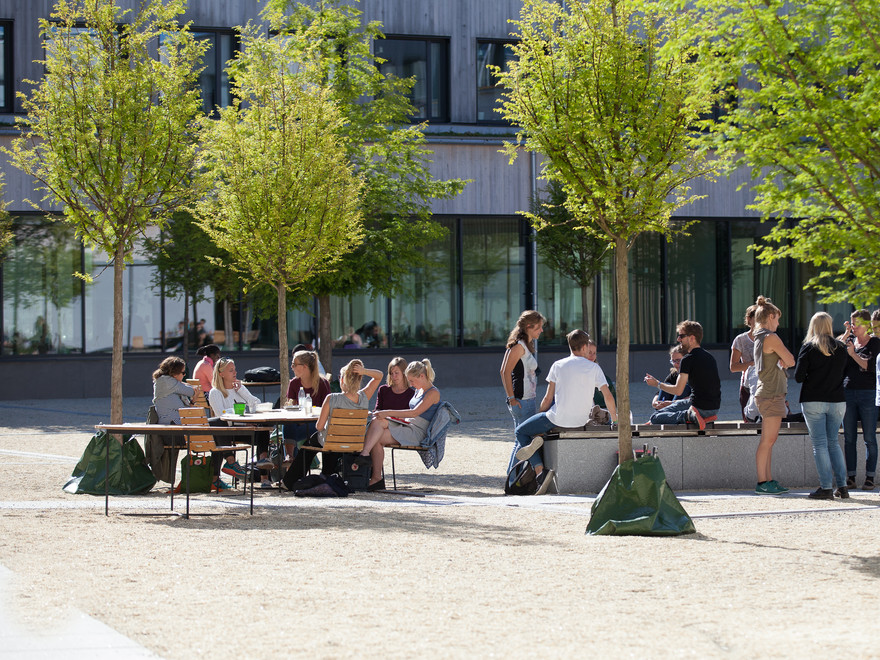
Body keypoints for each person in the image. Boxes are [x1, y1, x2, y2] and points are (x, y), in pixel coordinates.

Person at [513, 330, 618, 495]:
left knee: (521, 432)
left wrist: (538, 416)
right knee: (539, 428)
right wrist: (615, 421)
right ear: (584, 347)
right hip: (582, 420)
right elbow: (608, 396)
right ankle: (539, 440)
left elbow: (547, 399)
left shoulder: (558, 365)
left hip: (557, 419)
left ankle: (540, 471)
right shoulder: (594, 367)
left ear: (570, 346)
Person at [359, 359, 441, 492]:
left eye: (412, 381)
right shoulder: (419, 390)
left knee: (378, 429)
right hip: (408, 426)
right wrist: (384, 415)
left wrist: (387, 412)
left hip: (418, 432)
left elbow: (415, 412)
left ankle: (372, 471)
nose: (412, 385)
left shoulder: (433, 392)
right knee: (376, 429)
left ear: (422, 376)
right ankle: (369, 463)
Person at [795, 312, 849, 499]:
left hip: (813, 399)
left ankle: (826, 487)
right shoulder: (841, 347)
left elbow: (799, 377)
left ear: (813, 326)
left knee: (820, 444)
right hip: (837, 400)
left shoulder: (808, 347)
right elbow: (846, 373)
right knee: (833, 443)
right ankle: (842, 486)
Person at [751, 295, 795, 494]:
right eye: (777, 318)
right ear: (770, 317)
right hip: (771, 393)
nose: (778, 323)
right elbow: (791, 360)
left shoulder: (759, 336)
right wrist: (784, 359)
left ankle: (768, 480)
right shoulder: (771, 337)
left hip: (767, 392)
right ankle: (763, 482)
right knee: (767, 441)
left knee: (769, 441)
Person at [207, 357, 274, 490]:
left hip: (243, 429)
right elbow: (223, 418)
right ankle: (230, 463)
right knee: (218, 425)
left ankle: (263, 470)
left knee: (262, 428)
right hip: (227, 432)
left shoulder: (239, 388)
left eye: (235, 369)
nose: (235, 372)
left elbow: (257, 405)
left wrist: (242, 391)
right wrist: (244, 424)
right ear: (221, 374)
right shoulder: (215, 393)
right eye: (231, 370)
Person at [644, 320, 721, 429]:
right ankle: (697, 416)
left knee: (655, 417)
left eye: (681, 336)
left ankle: (688, 416)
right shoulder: (710, 357)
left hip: (698, 407)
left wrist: (657, 383)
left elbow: (678, 390)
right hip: (714, 408)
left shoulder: (687, 359)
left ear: (692, 338)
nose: (678, 339)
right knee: (665, 411)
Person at [499, 310, 545, 471]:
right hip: (521, 401)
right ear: (528, 326)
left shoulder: (523, 345)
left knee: (521, 440)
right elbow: (504, 371)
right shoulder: (518, 346)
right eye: (539, 327)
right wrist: (511, 398)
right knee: (523, 439)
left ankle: (514, 478)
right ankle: (514, 477)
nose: (541, 330)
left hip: (527, 399)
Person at [840, 309, 880, 490]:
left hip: (868, 393)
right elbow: (836, 359)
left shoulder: (875, 343)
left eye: (855, 323)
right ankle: (851, 477)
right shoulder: (849, 342)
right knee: (849, 437)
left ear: (866, 325)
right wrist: (845, 338)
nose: (853, 326)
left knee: (869, 437)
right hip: (848, 392)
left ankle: (870, 477)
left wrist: (853, 354)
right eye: (851, 323)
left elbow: (869, 366)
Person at [315, 360, 383, 443]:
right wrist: (364, 371)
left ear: (342, 380)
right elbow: (379, 376)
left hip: (332, 442)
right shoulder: (364, 397)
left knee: (311, 442)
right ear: (359, 379)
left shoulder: (331, 398)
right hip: (355, 442)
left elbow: (319, 427)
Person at [283, 350, 331, 463]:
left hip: (317, 424)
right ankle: (290, 457)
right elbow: (291, 405)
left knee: (291, 434)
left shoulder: (322, 383)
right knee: (288, 425)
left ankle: (291, 462)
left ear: (304, 366)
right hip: (298, 422)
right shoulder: (294, 383)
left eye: (294, 364)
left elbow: (327, 409)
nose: (292, 367)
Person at [730, 305, 757, 422]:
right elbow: (733, 367)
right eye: (757, 317)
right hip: (748, 385)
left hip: (769, 383)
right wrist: (754, 364)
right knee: (749, 423)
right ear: (749, 319)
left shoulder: (770, 338)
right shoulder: (740, 339)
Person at [152, 356, 198, 425]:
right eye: (183, 373)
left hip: (179, 424)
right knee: (215, 423)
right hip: (173, 427)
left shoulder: (167, 382)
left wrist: (193, 402)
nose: (184, 375)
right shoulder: (167, 381)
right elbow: (192, 391)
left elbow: (187, 411)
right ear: (175, 374)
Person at [651, 345, 692, 413]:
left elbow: (695, 398)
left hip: (687, 407)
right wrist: (655, 402)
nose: (675, 364)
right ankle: (658, 414)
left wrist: (673, 403)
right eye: (673, 361)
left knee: (684, 388)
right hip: (672, 405)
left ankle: (660, 416)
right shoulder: (674, 374)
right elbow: (661, 390)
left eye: (678, 361)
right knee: (666, 385)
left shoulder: (695, 374)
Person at [586, 338, 617, 408]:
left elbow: (608, 395)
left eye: (594, 353)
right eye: (589, 352)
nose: (592, 355)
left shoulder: (595, 368)